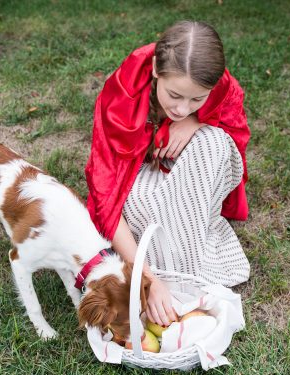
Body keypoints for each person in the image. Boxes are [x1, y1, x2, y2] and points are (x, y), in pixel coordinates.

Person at [85, 21, 251, 328]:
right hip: (138, 176)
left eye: (196, 99)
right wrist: (147, 278)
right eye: (174, 95)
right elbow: (105, 194)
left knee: (215, 142)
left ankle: (182, 254)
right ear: (154, 70)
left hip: (185, 167)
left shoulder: (214, 84)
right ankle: (166, 266)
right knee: (143, 205)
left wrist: (197, 123)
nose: (182, 108)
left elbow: (235, 131)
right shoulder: (121, 96)